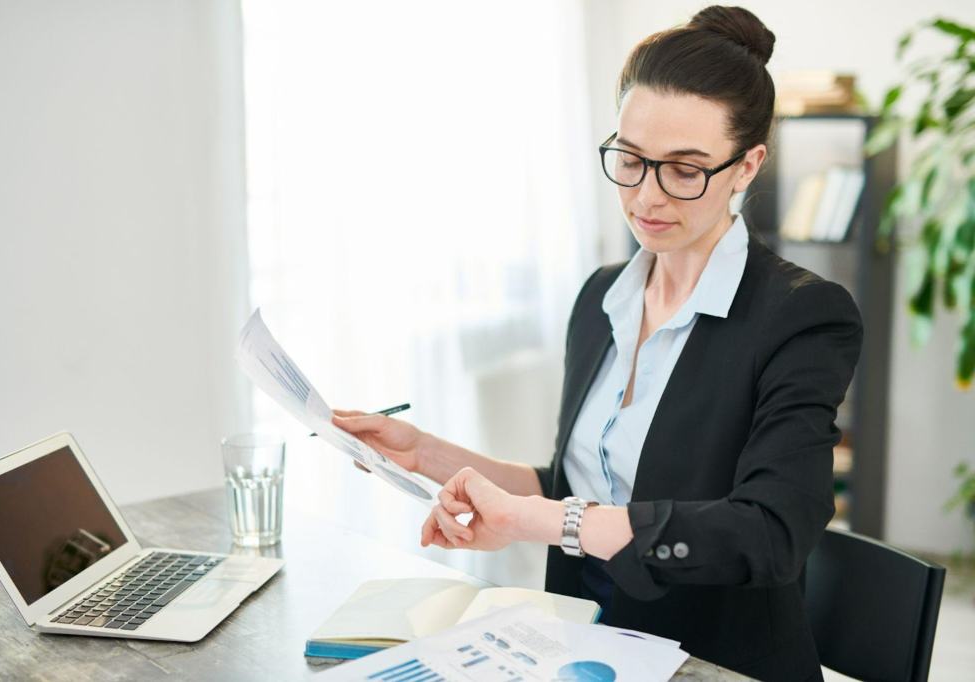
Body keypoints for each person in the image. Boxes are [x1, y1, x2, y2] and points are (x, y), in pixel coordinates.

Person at [333, 6, 861, 682]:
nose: (647, 195)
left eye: (685, 169)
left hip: (712, 662)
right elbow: (576, 486)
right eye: (632, 159)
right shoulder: (601, 299)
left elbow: (769, 533)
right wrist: (425, 454)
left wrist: (546, 521)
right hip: (578, 645)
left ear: (746, 166)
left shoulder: (800, 315)